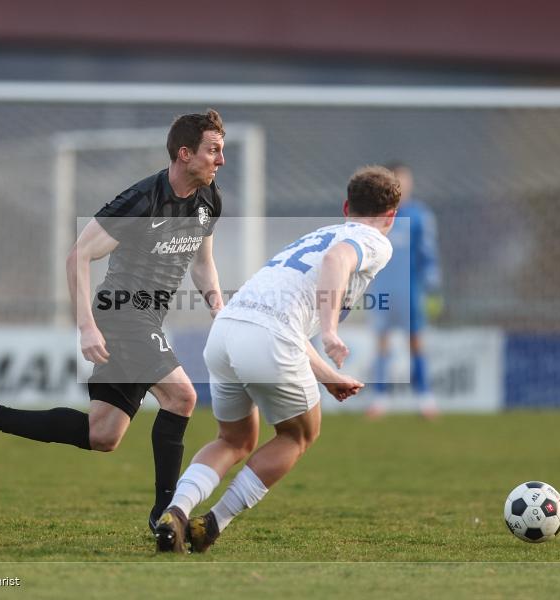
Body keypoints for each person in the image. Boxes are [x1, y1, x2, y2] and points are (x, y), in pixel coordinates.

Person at [0, 109, 227, 532]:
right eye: (213, 151)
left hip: (147, 317)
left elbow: (203, 264)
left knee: (103, 435)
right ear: (185, 153)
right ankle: (164, 515)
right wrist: (86, 327)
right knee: (182, 398)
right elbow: (78, 255)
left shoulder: (209, 202)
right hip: (123, 314)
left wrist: (218, 309)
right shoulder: (141, 200)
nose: (220, 160)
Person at [153, 165, 400, 552]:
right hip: (267, 337)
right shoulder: (374, 239)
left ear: (346, 205)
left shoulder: (317, 234)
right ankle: (211, 524)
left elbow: (287, 323)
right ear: (392, 216)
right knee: (298, 434)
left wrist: (325, 374)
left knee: (233, 439)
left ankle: (176, 512)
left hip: (227, 329)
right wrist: (332, 330)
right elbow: (337, 261)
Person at [367, 162, 442, 418]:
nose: (403, 185)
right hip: (383, 289)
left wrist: (432, 283)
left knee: (416, 343)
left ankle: (425, 399)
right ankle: (380, 400)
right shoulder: (375, 216)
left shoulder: (420, 215)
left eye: (406, 180)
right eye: (397, 181)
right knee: (382, 344)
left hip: (411, 290)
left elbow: (428, 254)